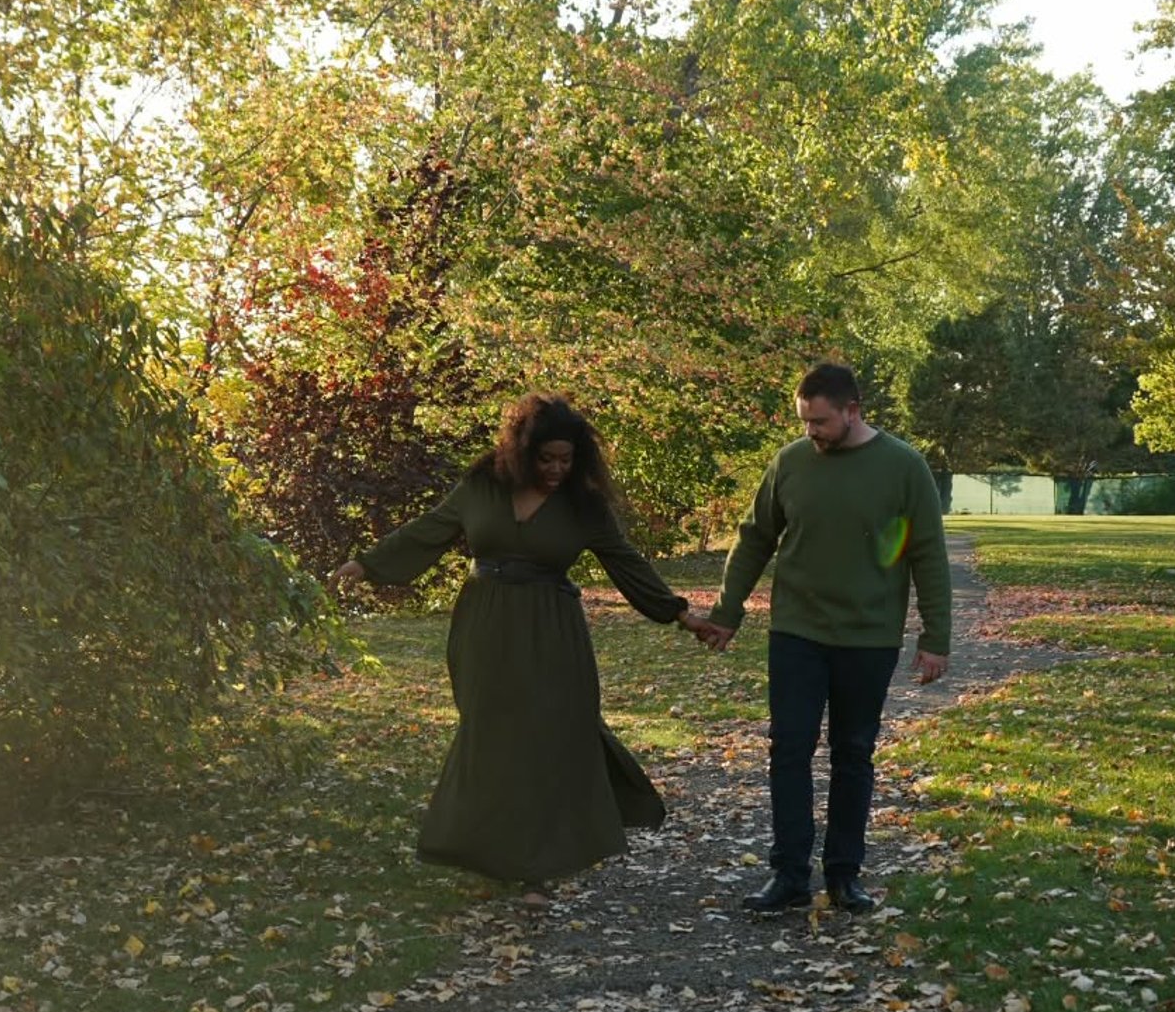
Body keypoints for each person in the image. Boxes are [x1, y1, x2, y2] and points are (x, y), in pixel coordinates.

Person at [331, 394, 703, 897]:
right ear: (522, 452)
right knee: (491, 733)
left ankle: (535, 867)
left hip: (552, 629)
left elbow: (625, 561)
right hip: (485, 623)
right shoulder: (482, 486)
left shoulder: (582, 503)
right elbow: (431, 530)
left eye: (566, 459)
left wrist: (680, 613)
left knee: (547, 734)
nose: (556, 469)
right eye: (546, 459)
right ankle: (484, 849)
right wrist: (368, 564)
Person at [698, 361, 950, 917]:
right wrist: (727, 611)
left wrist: (936, 637)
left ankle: (843, 875)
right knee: (789, 748)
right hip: (797, 632)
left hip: (869, 635)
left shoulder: (904, 467)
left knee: (853, 753)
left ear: (852, 411)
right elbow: (754, 540)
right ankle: (788, 873)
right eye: (804, 421)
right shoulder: (789, 463)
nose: (810, 431)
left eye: (820, 421)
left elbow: (928, 553)